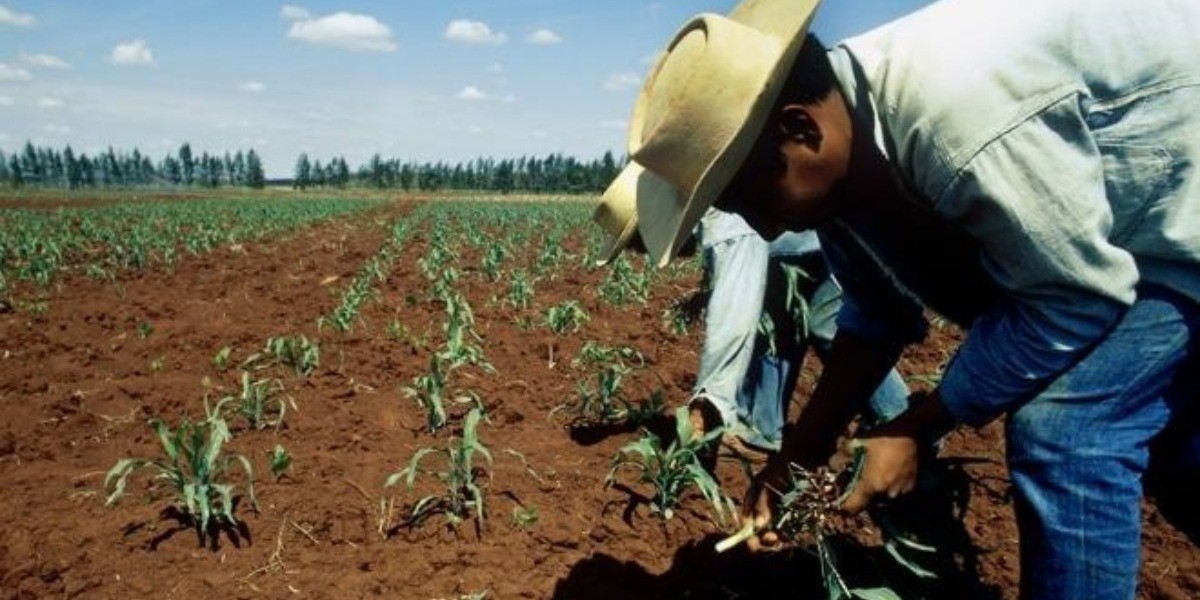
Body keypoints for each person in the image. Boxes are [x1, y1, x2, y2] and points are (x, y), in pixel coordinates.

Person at [602, 0, 1200, 598]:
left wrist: (918, 425)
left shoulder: (955, 116)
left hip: (1175, 226)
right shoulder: (844, 163)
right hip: (1142, 237)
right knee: (1172, 436)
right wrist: (800, 455)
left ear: (801, 129)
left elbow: (1074, 296)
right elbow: (876, 318)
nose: (762, 230)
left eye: (756, 199)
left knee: (1069, 429)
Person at [593, 183, 909, 456]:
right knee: (789, 320)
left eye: (640, 243)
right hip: (813, 242)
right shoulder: (706, 203)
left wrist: (709, 400)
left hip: (844, 235)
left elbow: (733, 321)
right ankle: (763, 433)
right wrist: (707, 291)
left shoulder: (722, 219)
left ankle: (905, 425)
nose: (646, 253)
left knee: (832, 328)